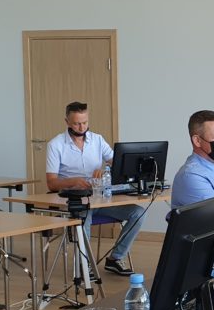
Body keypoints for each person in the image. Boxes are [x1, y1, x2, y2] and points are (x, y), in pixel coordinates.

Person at [45, 101, 145, 276]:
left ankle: (115, 258)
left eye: (84, 122)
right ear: (67, 122)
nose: (82, 127)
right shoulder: (56, 144)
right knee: (85, 216)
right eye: (76, 123)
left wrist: (106, 169)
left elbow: (118, 164)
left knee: (138, 213)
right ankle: (85, 264)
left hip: (100, 198)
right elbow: (51, 183)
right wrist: (73, 181)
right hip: (75, 201)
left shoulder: (97, 140)